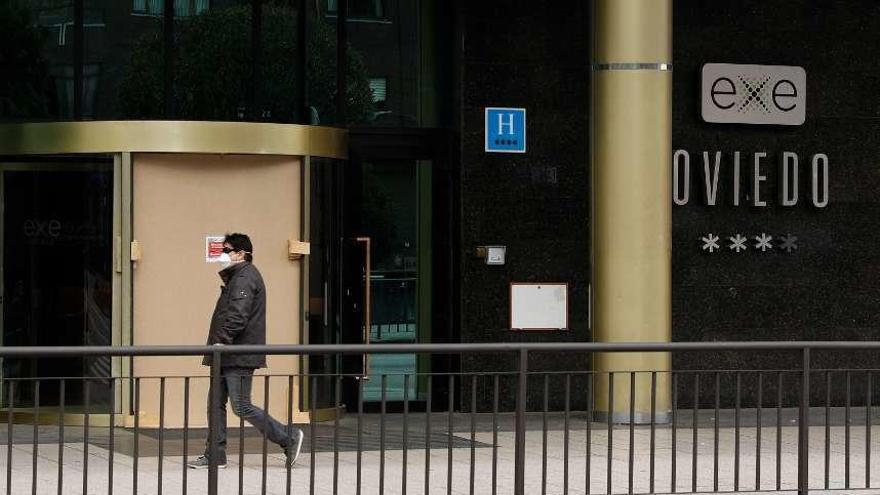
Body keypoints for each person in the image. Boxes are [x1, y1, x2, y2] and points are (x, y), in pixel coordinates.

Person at [188, 233, 304, 469]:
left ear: (241, 253)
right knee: (215, 404)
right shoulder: (237, 277)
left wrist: (221, 342)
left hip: (236, 354)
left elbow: (237, 317)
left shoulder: (245, 277)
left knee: (241, 405)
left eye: (227, 251)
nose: (222, 255)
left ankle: (288, 437)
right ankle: (215, 455)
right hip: (227, 353)